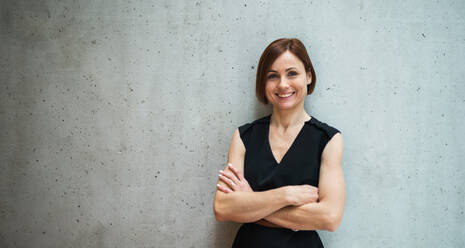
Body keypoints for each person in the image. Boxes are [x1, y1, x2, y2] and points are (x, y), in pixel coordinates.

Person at [213, 38, 345, 248]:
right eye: (273, 76)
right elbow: (223, 208)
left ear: (308, 76)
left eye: (292, 73)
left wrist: (252, 202)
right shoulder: (243, 136)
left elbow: (329, 218)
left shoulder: (328, 140)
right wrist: (287, 195)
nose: (283, 84)